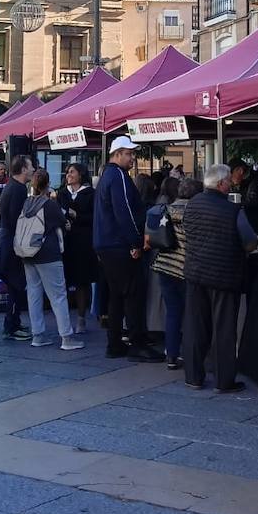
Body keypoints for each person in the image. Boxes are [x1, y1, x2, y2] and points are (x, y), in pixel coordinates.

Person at [182, 164, 258, 392]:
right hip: (225, 275)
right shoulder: (234, 210)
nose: (231, 185)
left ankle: (193, 376)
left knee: (195, 325)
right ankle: (224, 380)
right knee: (223, 329)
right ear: (221, 184)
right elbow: (250, 242)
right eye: (229, 182)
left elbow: (188, 230)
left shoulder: (192, 204)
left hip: (195, 272)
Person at [95, 136, 165, 362]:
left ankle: (115, 343)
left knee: (116, 296)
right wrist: (135, 242)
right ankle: (138, 345)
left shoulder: (107, 175)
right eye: (129, 154)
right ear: (117, 154)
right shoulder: (118, 176)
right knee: (134, 295)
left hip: (107, 244)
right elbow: (124, 212)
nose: (133, 158)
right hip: (119, 245)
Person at [18, 169, 86, 351]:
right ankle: (66, 337)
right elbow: (63, 222)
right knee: (58, 295)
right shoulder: (49, 204)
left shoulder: (27, 203)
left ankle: (37, 335)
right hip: (48, 254)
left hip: (28, 253)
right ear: (47, 183)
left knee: (33, 293)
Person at [155, 177, 201, 370]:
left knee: (173, 312)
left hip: (164, 266)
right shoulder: (194, 212)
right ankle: (190, 354)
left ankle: (171, 354)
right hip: (185, 267)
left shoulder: (166, 209)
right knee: (191, 313)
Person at [0, 156, 34, 342]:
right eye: (30, 166)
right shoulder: (18, 190)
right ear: (24, 169)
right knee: (15, 285)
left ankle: (14, 321)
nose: (33, 169)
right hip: (12, 243)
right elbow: (17, 219)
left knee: (15, 285)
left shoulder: (13, 187)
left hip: (8, 240)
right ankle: (11, 325)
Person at [56, 162, 97, 333]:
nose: (68, 174)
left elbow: (94, 217)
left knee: (81, 281)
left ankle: (81, 318)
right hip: (65, 242)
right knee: (62, 281)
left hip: (82, 243)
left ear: (81, 174)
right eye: (67, 172)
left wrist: (76, 216)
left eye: (72, 172)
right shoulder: (62, 193)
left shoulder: (90, 194)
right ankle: (64, 319)